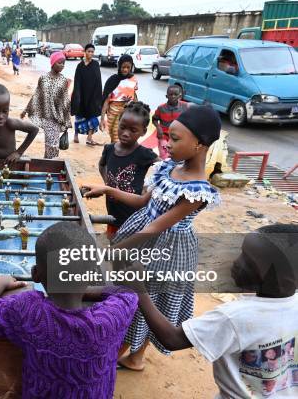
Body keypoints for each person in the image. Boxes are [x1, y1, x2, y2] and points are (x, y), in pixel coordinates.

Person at [82, 105, 223, 371]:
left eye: (175, 139)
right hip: (142, 234)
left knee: (149, 300)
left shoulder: (196, 190)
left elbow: (158, 226)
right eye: (169, 136)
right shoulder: (168, 167)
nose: (167, 144)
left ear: (200, 145)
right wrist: (107, 189)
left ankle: (127, 356)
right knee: (129, 292)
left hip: (167, 249)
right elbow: (142, 201)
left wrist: (116, 251)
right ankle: (128, 353)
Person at [123, 224, 298, 399]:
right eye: (241, 253)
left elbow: (173, 339)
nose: (236, 263)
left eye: (248, 261)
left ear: (282, 279)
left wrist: (139, 288)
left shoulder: (235, 317)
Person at [0, 222, 138, 398]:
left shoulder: (29, 310)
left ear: (35, 274)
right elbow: (127, 294)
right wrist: (82, 290)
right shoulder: (110, 318)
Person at [96, 102, 158, 240]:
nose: (125, 133)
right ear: (118, 123)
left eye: (133, 130)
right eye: (122, 127)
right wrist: (107, 183)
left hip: (133, 215)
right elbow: (102, 165)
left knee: (126, 249)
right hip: (112, 211)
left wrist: (149, 187)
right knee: (113, 241)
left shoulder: (144, 154)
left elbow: (165, 167)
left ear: (143, 131)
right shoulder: (109, 149)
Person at [21, 52, 72, 159]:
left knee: (52, 144)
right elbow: (37, 95)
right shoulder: (43, 78)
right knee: (50, 143)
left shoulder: (63, 80)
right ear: (53, 63)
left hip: (57, 118)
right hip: (46, 115)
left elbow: (65, 100)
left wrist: (67, 120)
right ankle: (50, 164)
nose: (62, 65)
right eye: (60, 63)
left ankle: (49, 163)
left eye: (64, 63)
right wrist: (25, 110)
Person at [100, 55, 138, 143]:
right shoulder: (112, 80)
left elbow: (134, 95)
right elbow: (106, 100)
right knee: (115, 138)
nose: (125, 69)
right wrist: (102, 119)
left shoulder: (134, 80)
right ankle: (114, 154)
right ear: (119, 66)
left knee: (125, 138)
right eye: (123, 67)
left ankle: (120, 155)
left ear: (131, 67)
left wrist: (138, 111)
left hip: (128, 113)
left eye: (128, 67)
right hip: (113, 113)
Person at [71, 43, 103, 146]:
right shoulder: (80, 66)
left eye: (92, 52)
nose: (90, 53)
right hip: (81, 95)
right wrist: (77, 95)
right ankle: (76, 135)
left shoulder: (95, 64)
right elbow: (77, 81)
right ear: (85, 52)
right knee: (79, 117)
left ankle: (89, 138)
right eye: (89, 51)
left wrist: (98, 97)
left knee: (93, 118)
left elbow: (98, 81)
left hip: (92, 96)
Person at [152, 85, 190, 159]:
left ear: (180, 96)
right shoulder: (161, 108)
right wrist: (158, 128)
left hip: (178, 138)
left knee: (176, 157)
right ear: (166, 96)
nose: (173, 96)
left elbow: (189, 119)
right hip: (163, 136)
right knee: (164, 157)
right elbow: (154, 119)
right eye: (171, 94)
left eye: (175, 94)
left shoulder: (185, 106)